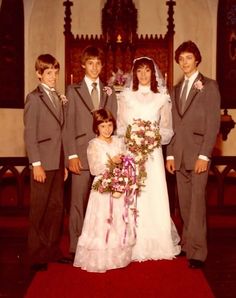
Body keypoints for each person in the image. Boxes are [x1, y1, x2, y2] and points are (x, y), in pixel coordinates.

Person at [117, 57, 181, 261]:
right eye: (139, 71)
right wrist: (132, 141)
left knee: (153, 194)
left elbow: (167, 129)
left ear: (153, 74)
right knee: (134, 196)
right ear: (134, 74)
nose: (143, 75)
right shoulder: (126, 97)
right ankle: (132, 243)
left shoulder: (161, 97)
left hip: (152, 154)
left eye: (147, 71)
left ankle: (157, 241)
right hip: (132, 153)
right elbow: (120, 128)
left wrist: (152, 137)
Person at [166, 41, 221, 269]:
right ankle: (188, 243)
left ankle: (198, 252)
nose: (185, 62)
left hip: (198, 153)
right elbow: (171, 125)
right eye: (181, 58)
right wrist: (170, 154)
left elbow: (213, 124)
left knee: (198, 203)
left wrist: (205, 155)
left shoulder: (209, 86)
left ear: (196, 60)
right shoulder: (175, 89)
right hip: (179, 153)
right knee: (186, 203)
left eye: (189, 58)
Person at [66, 46, 117, 258]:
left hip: (104, 155)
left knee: (105, 201)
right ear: (83, 65)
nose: (94, 67)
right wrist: (71, 155)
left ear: (102, 66)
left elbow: (114, 122)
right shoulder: (73, 90)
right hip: (80, 154)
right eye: (90, 63)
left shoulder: (109, 91)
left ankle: (102, 243)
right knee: (78, 200)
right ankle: (75, 245)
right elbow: (68, 125)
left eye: (98, 63)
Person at [73, 109, 136, 272]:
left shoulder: (118, 141)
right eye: (102, 126)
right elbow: (95, 169)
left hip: (118, 185)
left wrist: (125, 167)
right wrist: (112, 162)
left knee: (118, 220)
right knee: (103, 221)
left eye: (109, 125)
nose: (107, 129)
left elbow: (127, 159)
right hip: (103, 186)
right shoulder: (93, 144)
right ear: (96, 128)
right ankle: (100, 258)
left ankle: (118, 256)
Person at [24, 54, 69, 272]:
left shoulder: (58, 96)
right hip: (43, 162)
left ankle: (51, 249)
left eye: (55, 72)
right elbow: (30, 135)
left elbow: (61, 132)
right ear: (39, 74)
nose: (53, 77)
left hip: (58, 161)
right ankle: (35, 255)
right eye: (48, 73)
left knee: (56, 208)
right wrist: (36, 164)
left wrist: (65, 163)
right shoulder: (34, 98)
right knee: (39, 210)